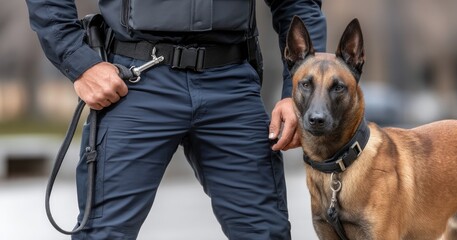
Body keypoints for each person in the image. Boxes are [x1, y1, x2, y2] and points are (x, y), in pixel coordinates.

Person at [25, 0, 326, 239]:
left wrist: (298, 93)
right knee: (104, 233)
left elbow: (298, 4)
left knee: (264, 232)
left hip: (230, 83)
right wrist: (80, 63)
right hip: (136, 81)